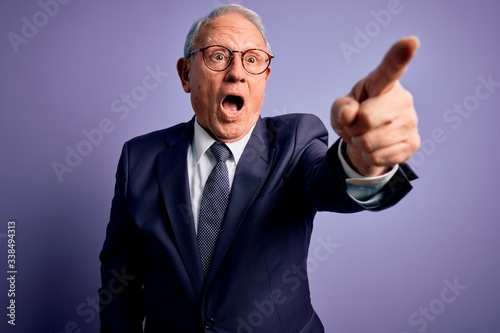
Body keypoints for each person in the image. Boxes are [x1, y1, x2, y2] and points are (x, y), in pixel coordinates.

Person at [99, 4, 420, 332]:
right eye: (218, 56)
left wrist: (365, 160)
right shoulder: (138, 157)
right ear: (186, 74)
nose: (237, 72)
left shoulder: (296, 141)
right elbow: (118, 286)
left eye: (252, 59)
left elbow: (329, 179)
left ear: (265, 77)